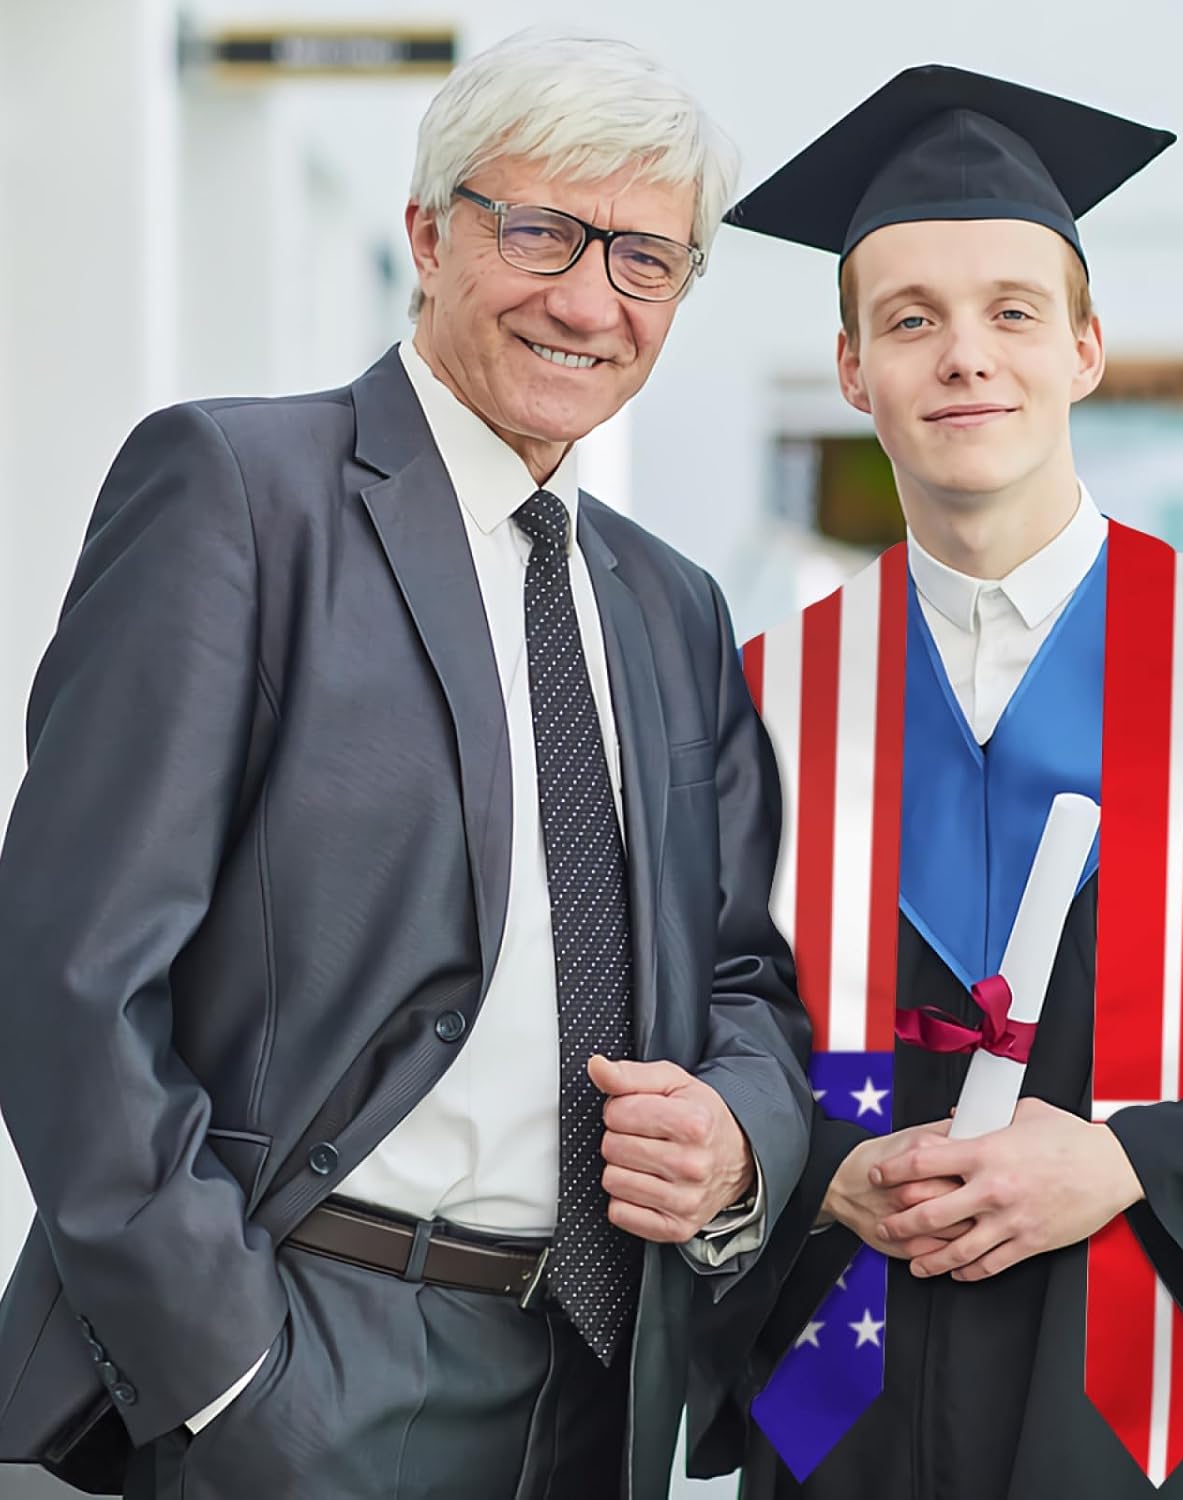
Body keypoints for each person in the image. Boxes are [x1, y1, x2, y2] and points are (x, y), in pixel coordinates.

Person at [0, 29, 811, 1500]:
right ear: (429, 235)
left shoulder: (671, 605)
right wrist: (226, 1373)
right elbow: (72, 973)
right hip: (304, 1357)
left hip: (596, 1380)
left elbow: (743, 974)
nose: (589, 301)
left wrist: (738, 1138)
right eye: (540, 231)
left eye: (644, 259)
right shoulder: (240, 497)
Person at [687, 64, 1183, 1500]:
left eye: (1012, 312)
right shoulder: (764, 699)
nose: (965, 357)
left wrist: (1131, 1163)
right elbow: (698, 1030)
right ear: (853, 370)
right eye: (911, 319)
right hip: (839, 1390)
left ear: (1086, 348)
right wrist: (818, 1172)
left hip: (1133, 1401)